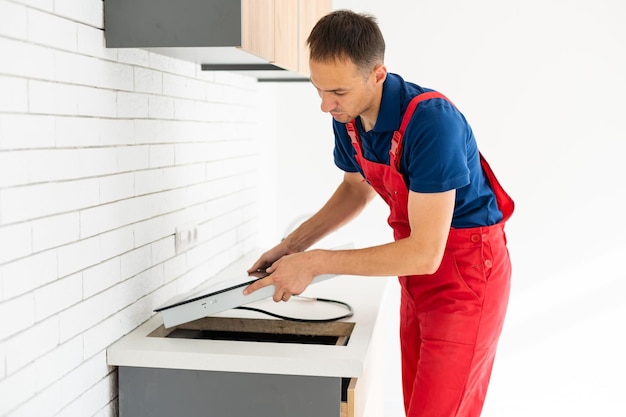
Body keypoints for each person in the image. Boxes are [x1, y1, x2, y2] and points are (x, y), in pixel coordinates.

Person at [244, 9, 514, 417]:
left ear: (377, 75)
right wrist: (291, 246)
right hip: (416, 277)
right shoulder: (348, 117)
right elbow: (356, 190)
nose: (325, 105)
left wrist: (315, 262)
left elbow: (426, 251)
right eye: (318, 89)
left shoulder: (431, 124)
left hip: (466, 276)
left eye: (336, 92)